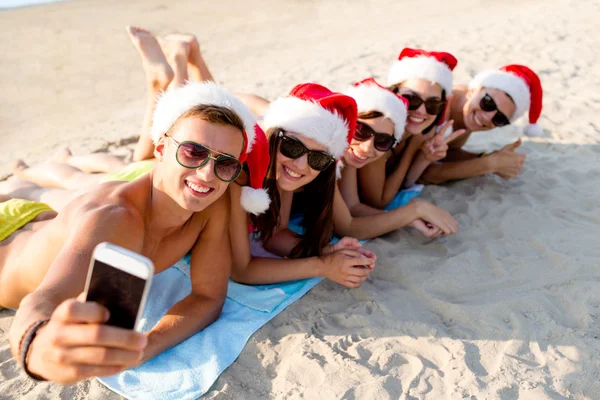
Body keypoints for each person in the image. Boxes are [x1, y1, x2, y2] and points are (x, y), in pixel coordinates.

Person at [2, 81, 259, 384]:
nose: (206, 173)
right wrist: (38, 348)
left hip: (40, 222)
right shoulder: (111, 219)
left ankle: (25, 182)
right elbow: (45, 298)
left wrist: (146, 345)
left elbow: (208, 296)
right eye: (193, 152)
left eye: (226, 164)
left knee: (59, 194)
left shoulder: (212, 206)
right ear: (161, 149)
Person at [229, 83, 377, 288]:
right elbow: (240, 270)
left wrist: (327, 251)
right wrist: (322, 266)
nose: (300, 164)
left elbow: (275, 234)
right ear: (274, 135)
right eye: (292, 146)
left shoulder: (283, 173)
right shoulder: (240, 172)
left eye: (317, 159)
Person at [333, 78, 457, 239]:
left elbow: (352, 207)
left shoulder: (351, 153)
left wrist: (410, 219)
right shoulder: (333, 151)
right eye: (360, 130)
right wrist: (414, 211)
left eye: (433, 105)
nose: (367, 147)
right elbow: (348, 226)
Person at [358, 48, 466, 208]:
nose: (421, 111)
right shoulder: (379, 131)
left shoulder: (416, 133)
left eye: (433, 104)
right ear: (392, 93)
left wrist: (425, 157)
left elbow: (407, 182)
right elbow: (379, 201)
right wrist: (413, 146)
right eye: (411, 99)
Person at [418, 64, 543, 184]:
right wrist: (489, 164)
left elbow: (450, 151)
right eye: (488, 103)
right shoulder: (438, 107)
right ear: (473, 90)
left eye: (500, 119)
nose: (487, 117)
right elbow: (422, 174)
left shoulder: (469, 111)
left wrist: (486, 157)